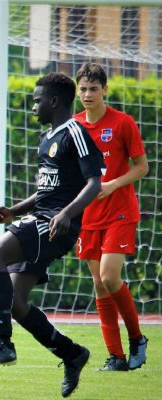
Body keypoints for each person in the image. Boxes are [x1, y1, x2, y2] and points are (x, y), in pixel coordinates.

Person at [0, 72, 104, 398]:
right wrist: (13, 211)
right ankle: (71, 354)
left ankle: (2, 342)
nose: (33, 106)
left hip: (55, 224)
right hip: (42, 217)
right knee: (17, 303)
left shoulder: (76, 132)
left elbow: (94, 184)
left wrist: (65, 214)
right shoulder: (47, 137)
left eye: (37, 99)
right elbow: (47, 191)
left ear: (54, 100)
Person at [74, 63, 149, 371]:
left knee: (109, 276)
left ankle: (137, 338)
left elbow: (142, 166)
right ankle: (115, 356)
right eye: (83, 89)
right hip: (88, 216)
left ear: (105, 89)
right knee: (99, 284)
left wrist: (113, 184)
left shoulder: (122, 123)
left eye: (94, 88)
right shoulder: (73, 127)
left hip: (119, 211)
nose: (88, 94)